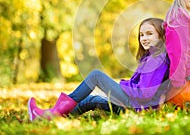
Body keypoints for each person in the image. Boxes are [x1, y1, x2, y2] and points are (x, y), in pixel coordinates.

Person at [28, 17, 170, 121]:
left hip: (138, 107)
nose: (144, 38)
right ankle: (51, 117)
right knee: (91, 100)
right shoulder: (150, 57)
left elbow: (144, 94)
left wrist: (121, 87)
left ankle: (53, 113)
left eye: (149, 34)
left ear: (161, 36)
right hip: (136, 105)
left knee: (96, 76)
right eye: (141, 34)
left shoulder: (157, 59)